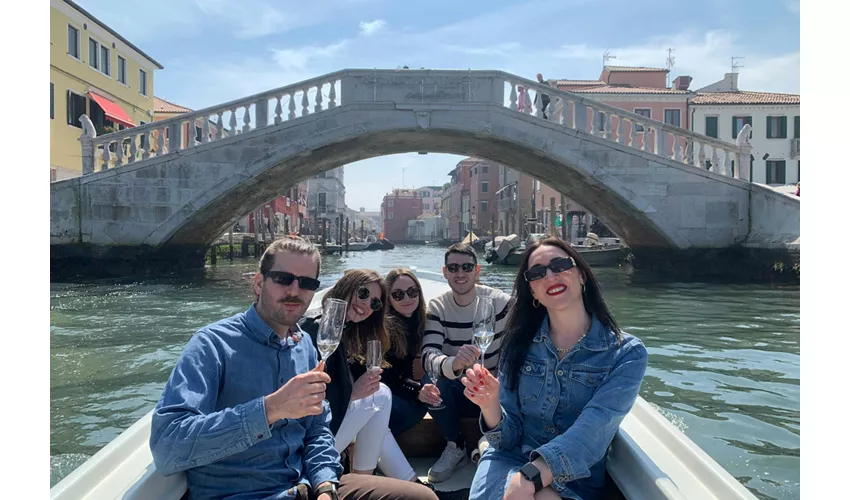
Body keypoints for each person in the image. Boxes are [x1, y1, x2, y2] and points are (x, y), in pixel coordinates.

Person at [149, 237, 437, 500]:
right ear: (259, 283)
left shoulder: (304, 347)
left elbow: (318, 430)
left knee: (423, 499)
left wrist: (325, 485)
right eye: (283, 278)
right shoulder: (212, 345)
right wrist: (271, 409)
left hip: (307, 486)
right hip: (242, 493)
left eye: (307, 283)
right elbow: (167, 447)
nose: (294, 290)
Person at [462, 236, 648, 500]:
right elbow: (507, 440)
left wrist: (530, 477)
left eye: (560, 265)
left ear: (582, 275)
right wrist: (490, 405)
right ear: (533, 293)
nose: (550, 275)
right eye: (537, 273)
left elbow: (592, 432)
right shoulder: (517, 344)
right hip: (509, 460)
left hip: (574, 477)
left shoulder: (626, 353)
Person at [299, 269, 434, 491]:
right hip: (308, 444)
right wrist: (352, 393)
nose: (366, 305)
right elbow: (308, 401)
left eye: (375, 303)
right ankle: (365, 483)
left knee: (378, 396)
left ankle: (367, 484)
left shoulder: (346, 329)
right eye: (362, 293)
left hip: (322, 432)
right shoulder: (317, 329)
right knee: (380, 396)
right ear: (347, 286)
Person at [421, 243, 513, 483]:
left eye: (466, 267)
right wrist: (454, 363)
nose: (460, 273)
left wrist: (498, 379)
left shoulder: (501, 303)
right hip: (460, 388)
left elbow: (519, 347)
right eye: (453, 267)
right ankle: (456, 445)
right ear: (445, 272)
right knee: (429, 381)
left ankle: (491, 440)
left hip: (497, 390)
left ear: (477, 270)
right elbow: (429, 354)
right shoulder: (438, 306)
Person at [384, 268, 442, 436]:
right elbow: (388, 376)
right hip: (383, 391)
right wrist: (417, 389)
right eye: (398, 294)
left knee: (422, 406)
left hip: (402, 388)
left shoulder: (421, 321)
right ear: (389, 298)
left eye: (412, 292)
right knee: (400, 412)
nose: (407, 298)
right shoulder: (386, 328)